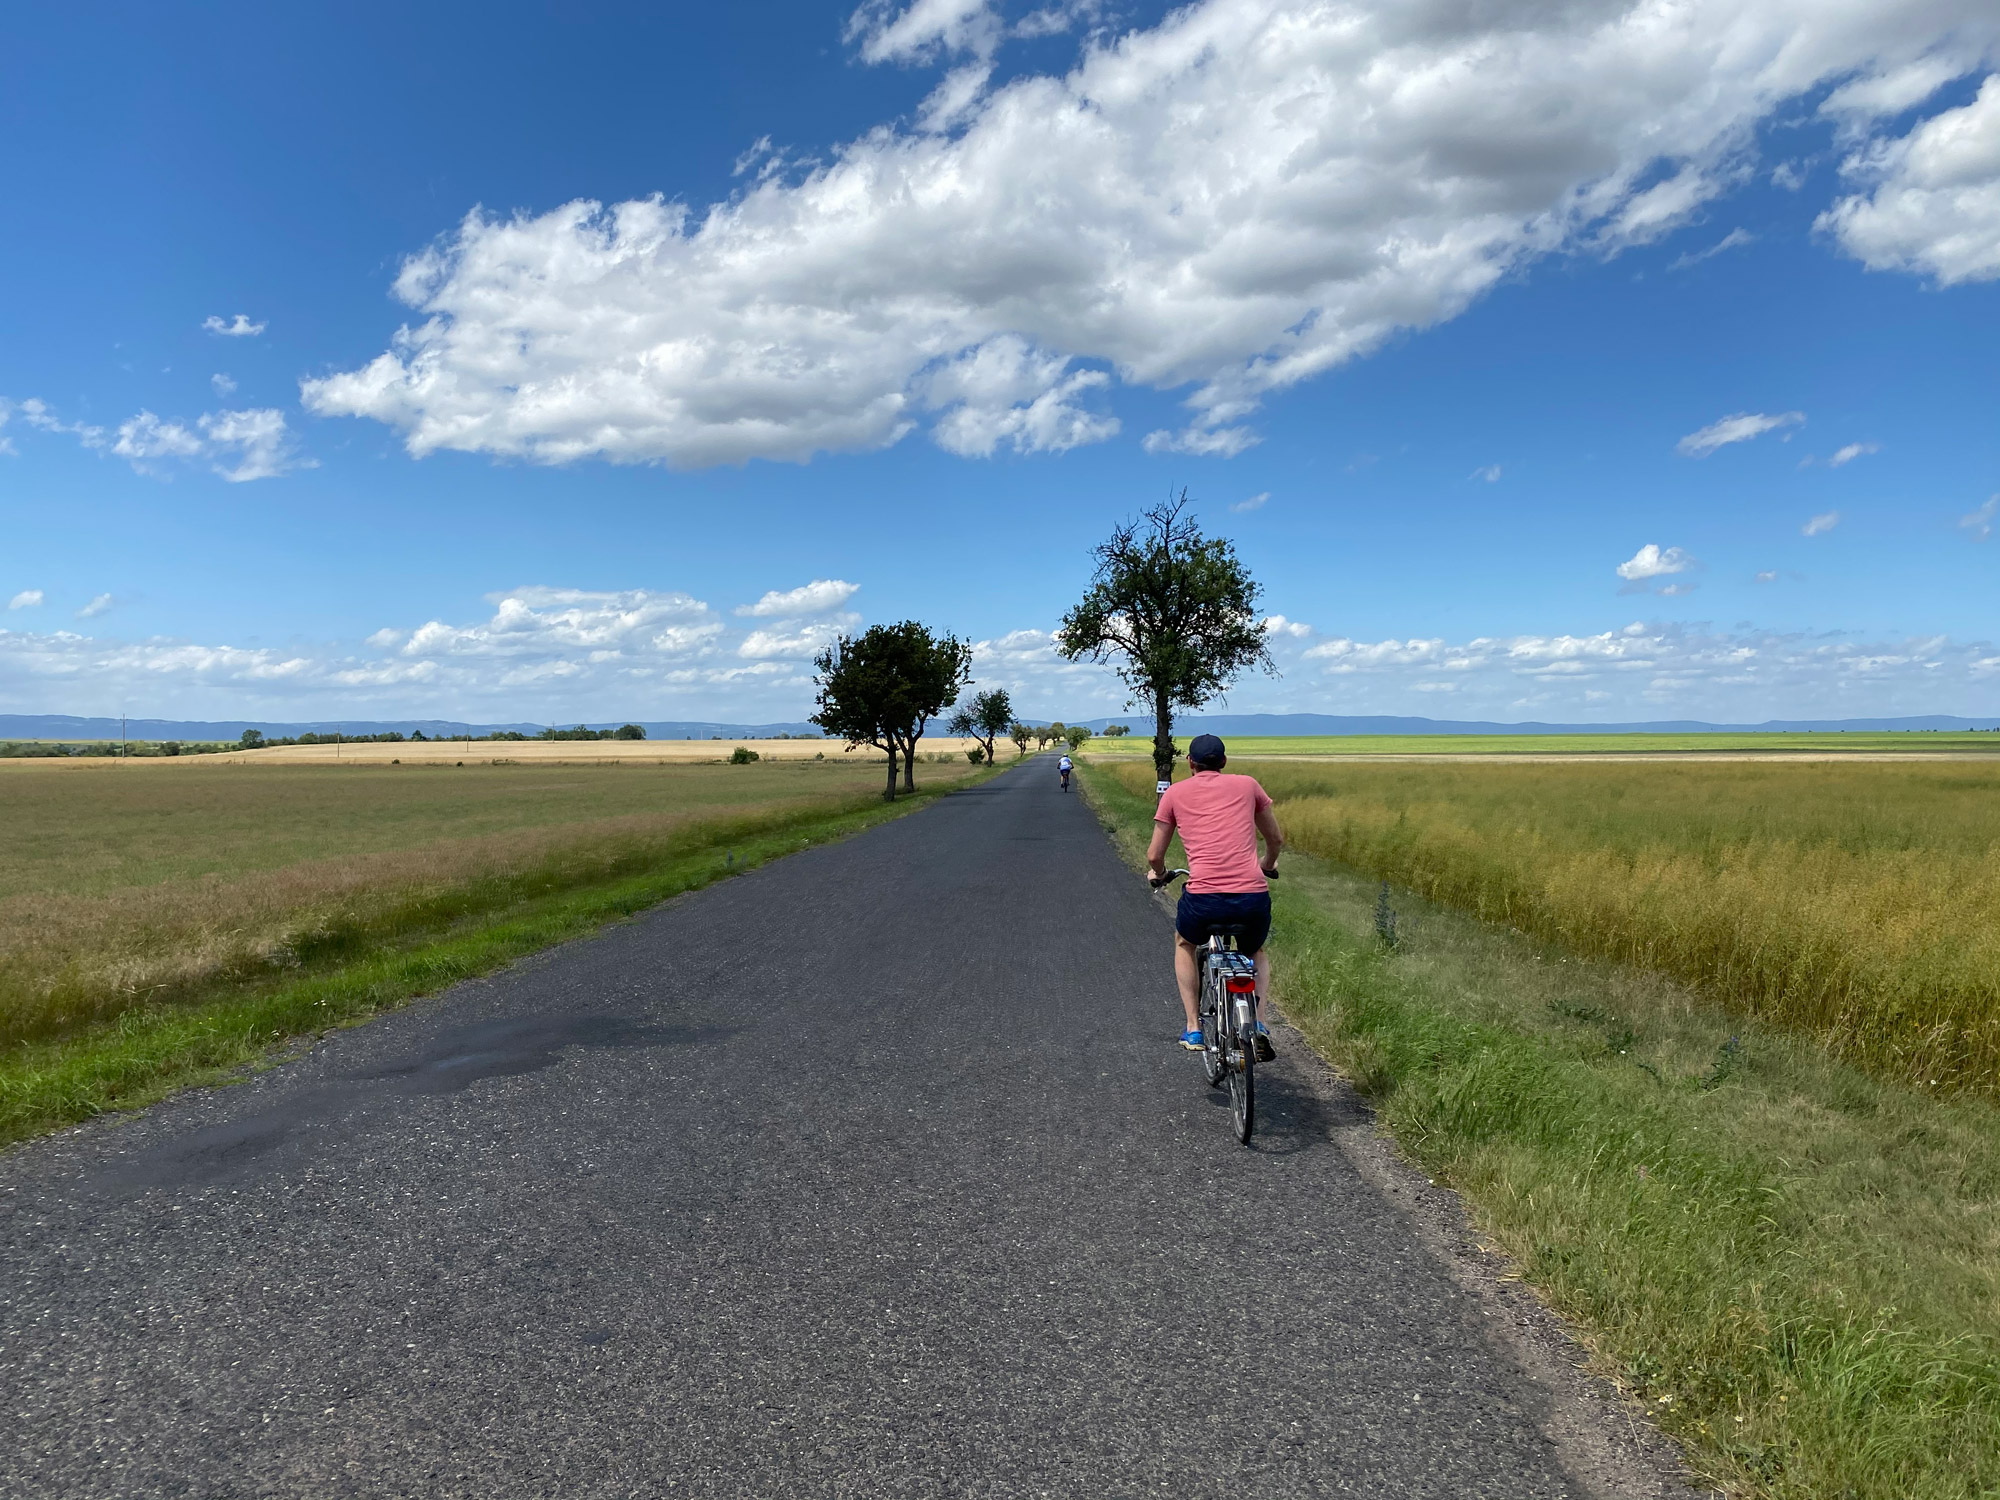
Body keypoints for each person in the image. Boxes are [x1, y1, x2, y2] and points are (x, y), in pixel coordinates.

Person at [1146, 734, 1281, 1058]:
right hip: (1251, 897)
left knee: (1184, 942)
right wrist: (1267, 864)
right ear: (1223, 762)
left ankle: (1193, 1027)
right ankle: (1259, 1022)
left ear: (1190, 763)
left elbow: (1154, 856)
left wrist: (1160, 874)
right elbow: (1275, 838)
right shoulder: (1248, 785)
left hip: (1203, 899)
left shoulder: (1175, 793)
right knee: (1255, 950)